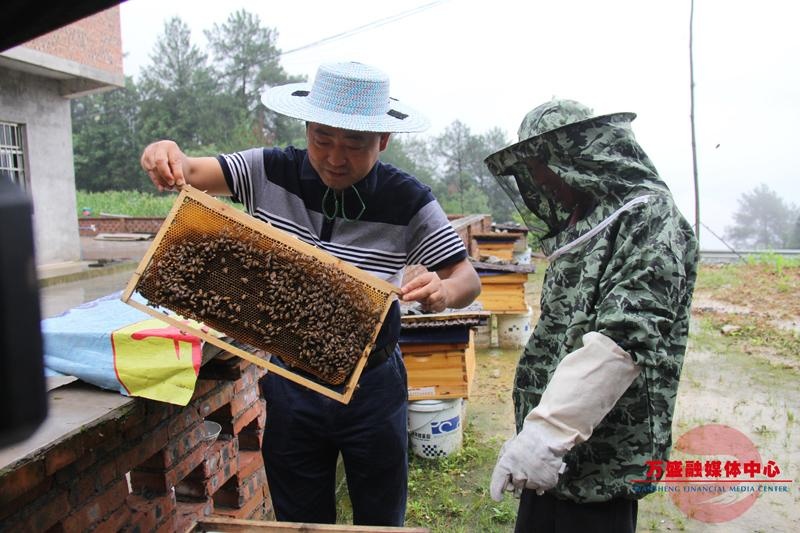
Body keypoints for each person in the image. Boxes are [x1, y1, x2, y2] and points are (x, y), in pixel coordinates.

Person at [140, 61, 481, 526]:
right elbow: (193, 171)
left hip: (373, 387)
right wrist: (167, 153)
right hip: (292, 383)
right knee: (299, 517)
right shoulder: (268, 170)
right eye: (322, 139)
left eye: (354, 144)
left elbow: (468, 279)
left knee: (380, 521)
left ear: (383, 140)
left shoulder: (409, 200)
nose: (335, 158)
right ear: (306, 128)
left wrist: (443, 290)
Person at [483, 99, 698, 532]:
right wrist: (538, 429)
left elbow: (625, 337)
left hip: (606, 454)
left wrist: (549, 430)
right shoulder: (587, 219)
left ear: (579, 154)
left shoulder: (651, 218)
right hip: (554, 454)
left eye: (543, 166)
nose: (539, 181)